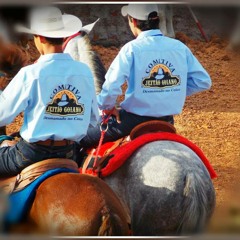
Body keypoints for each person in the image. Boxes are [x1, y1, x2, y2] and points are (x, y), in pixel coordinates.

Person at [79, 4, 212, 149]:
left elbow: (112, 86)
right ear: (158, 20)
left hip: (133, 121)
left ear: (133, 21)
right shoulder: (180, 47)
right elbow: (203, 81)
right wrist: (170, 91)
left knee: (81, 137)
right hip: (167, 121)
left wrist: (106, 106)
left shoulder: (131, 49)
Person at [0, 6, 99, 177]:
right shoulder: (84, 72)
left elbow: (3, 115)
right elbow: (93, 119)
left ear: (39, 38)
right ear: (63, 37)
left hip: (31, 153)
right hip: (70, 153)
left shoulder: (31, 73)